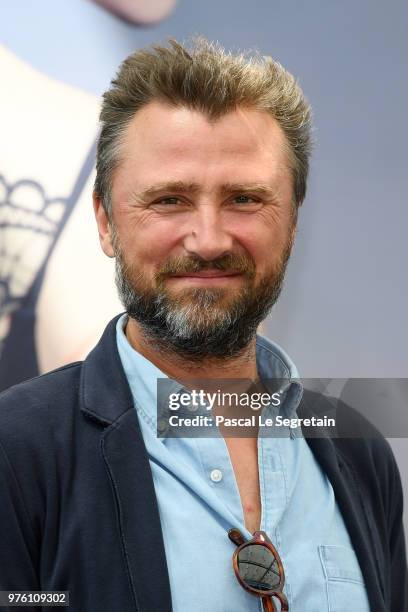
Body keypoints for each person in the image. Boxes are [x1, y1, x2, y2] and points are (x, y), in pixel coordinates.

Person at [0, 38, 406, 612]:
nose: (209, 240)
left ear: (292, 222)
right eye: (169, 200)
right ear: (106, 222)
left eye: (244, 198)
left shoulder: (356, 450)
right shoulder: (16, 451)